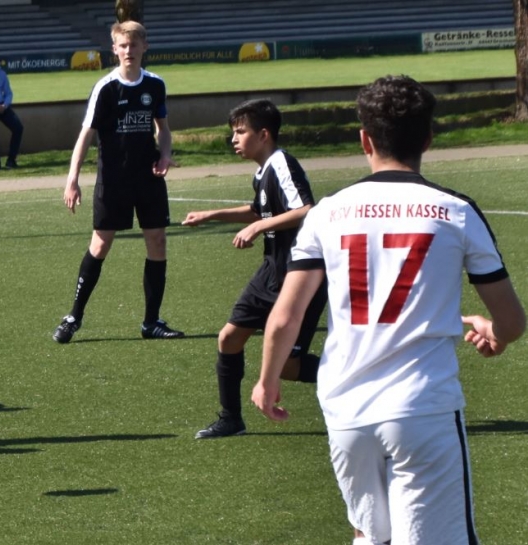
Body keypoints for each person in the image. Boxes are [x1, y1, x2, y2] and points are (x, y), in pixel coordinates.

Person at [252, 75, 525, 544]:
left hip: (345, 410)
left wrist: (267, 379)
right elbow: (513, 321)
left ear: (365, 140)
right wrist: (494, 332)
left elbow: (285, 317)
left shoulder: (328, 212)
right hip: (422, 407)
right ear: (429, 138)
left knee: (368, 535)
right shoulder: (455, 211)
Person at [182, 99, 326, 439]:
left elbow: (306, 209)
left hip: (299, 274)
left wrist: (259, 227)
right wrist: (211, 215)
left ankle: (358, 374)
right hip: (271, 270)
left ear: (263, 135)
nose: (234, 138)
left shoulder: (282, 163)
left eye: (240, 131)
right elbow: (259, 210)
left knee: (288, 367)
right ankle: (231, 419)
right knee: (229, 338)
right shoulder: (262, 172)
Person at [52, 20, 183, 343]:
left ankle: (151, 322)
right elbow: (86, 136)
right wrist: (72, 179)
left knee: (157, 241)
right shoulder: (106, 88)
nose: (129, 51)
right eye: (123, 45)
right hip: (113, 180)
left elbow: (163, 129)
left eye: (134, 45)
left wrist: (165, 155)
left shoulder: (155, 84)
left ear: (144, 47)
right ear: (114, 49)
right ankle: (73, 317)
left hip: (148, 178)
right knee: (100, 244)